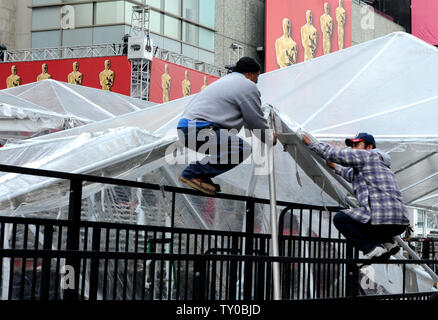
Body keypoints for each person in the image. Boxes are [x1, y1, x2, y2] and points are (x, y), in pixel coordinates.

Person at [301, 132, 410, 262]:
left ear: (369, 147)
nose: (353, 149)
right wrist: (334, 166)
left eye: (357, 145)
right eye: (352, 146)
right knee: (364, 221)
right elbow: (347, 173)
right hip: (399, 221)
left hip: (382, 218)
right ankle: (388, 243)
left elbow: (338, 155)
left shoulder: (369, 155)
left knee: (341, 219)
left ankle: (371, 248)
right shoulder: (374, 167)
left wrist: (312, 144)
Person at [177, 57, 277, 195]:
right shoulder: (246, 85)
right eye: (257, 76)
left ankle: (202, 176)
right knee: (241, 148)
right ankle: (193, 173)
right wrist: (269, 136)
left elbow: (248, 120)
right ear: (250, 74)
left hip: (187, 128)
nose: (257, 81)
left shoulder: (225, 81)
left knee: (228, 149)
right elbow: (255, 120)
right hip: (199, 128)